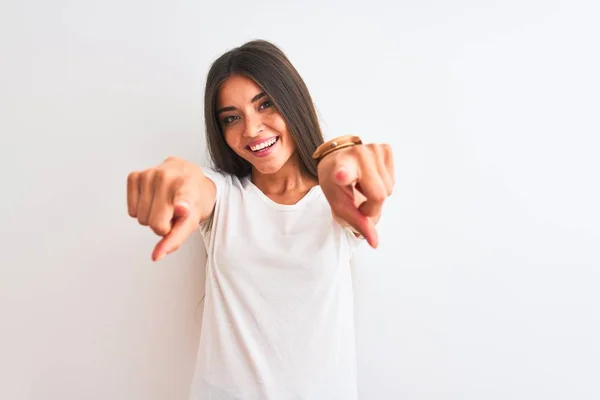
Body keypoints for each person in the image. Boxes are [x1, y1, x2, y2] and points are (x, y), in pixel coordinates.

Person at [126, 39, 394, 400]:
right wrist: (177, 181)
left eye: (264, 104)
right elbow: (196, 186)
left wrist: (343, 159)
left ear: (292, 100)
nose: (251, 129)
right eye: (232, 118)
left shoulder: (337, 201)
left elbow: (352, 180)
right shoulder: (225, 196)